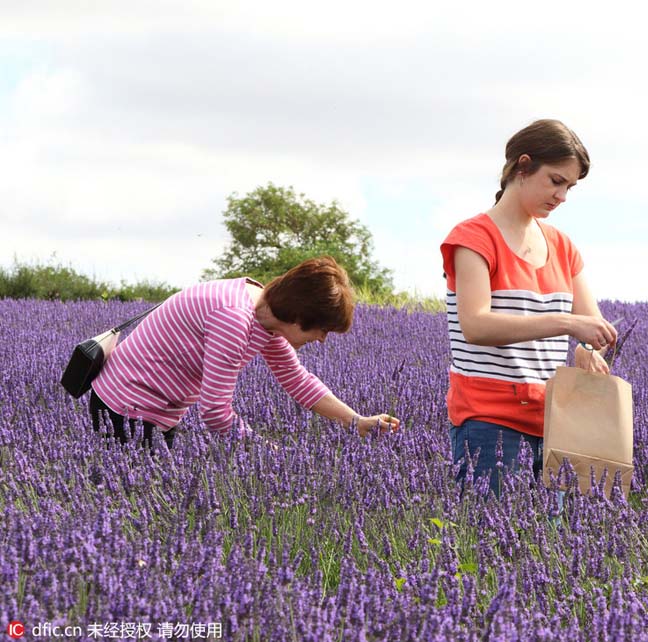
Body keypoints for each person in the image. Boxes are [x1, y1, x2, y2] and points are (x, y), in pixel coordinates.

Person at [440, 119, 618, 496]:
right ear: (523, 166)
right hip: (489, 422)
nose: (562, 196)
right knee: (491, 529)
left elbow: (592, 326)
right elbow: (476, 325)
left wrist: (588, 349)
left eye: (570, 187)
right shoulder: (473, 238)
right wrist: (566, 324)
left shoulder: (562, 247)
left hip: (555, 422)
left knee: (548, 534)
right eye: (556, 181)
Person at [89, 256, 400, 449]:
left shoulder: (265, 313)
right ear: (298, 316)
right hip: (126, 407)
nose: (321, 340)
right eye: (321, 329)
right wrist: (268, 454)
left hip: (159, 411)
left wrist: (356, 421)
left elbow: (297, 380)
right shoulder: (234, 320)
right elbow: (214, 412)